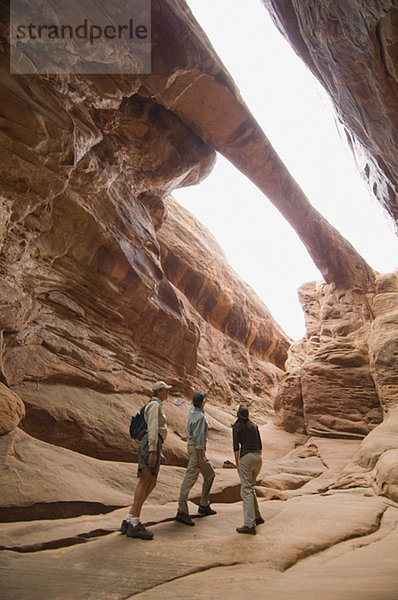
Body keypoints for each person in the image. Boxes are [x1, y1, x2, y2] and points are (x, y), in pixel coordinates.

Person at [120, 380, 171, 540]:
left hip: (152, 443)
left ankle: (129, 519)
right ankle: (135, 523)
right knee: (145, 480)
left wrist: (157, 450)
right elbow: (154, 427)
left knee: (151, 481)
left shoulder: (155, 405)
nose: (167, 393)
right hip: (150, 442)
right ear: (159, 391)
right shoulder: (155, 405)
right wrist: (153, 450)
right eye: (165, 390)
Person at [175, 387, 216, 526]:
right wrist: (200, 457)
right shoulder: (201, 418)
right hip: (197, 450)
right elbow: (199, 438)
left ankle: (204, 505)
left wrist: (210, 388)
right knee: (189, 479)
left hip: (194, 448)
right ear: (202, 402)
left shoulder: (193, 410)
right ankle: (181, 511)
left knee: (210, 474)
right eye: (205, 399)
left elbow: (203, 398)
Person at [233, 405, 264, 535]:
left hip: (246, 458)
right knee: (251, 487)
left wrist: (238, 465)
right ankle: (257, 517)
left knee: (245, 490)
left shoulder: (237, 427)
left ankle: (249, 524)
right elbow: (260, 445)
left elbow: (236, 448)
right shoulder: (254, 425)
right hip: (258, 458)